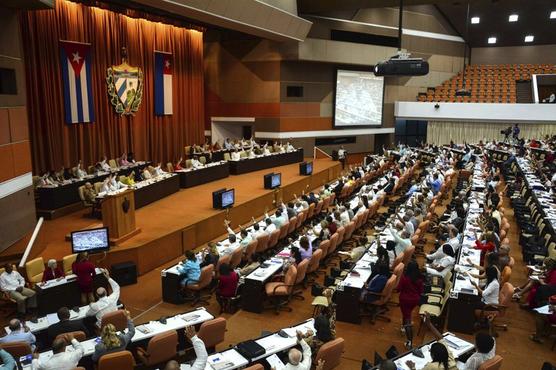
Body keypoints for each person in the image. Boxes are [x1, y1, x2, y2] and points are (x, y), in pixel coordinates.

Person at [398, 261, 424, 349]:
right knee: (406, 314)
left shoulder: (404, 278)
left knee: (407, 319)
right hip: (415, 300)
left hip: (404, 300)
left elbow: (399, 288)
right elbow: (421, 291)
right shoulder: (419, 278)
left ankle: (410, 342)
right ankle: (403, 327)